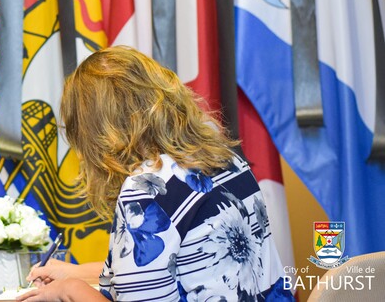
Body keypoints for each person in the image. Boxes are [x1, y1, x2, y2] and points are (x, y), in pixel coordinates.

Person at [19, 46, 291, 301]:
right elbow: (176, 266)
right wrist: (74, 272)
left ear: (97, 133)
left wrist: (70, 289)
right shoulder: (225, 157)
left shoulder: (148, 187)